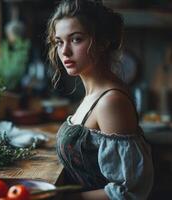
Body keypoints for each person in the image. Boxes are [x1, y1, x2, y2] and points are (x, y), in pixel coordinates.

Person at [46, 0, 154, 199]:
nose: (64, 51)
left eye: (76, 39)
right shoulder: (92, 95)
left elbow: (129, 191)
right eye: (59, 42)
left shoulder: (110, 101)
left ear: (103, 42)